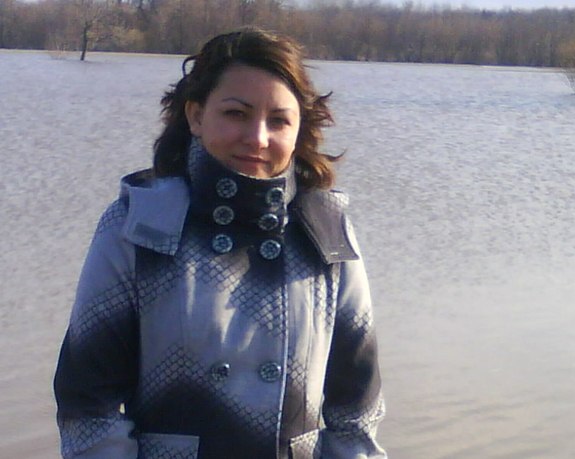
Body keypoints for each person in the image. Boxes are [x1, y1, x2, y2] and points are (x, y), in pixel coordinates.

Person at [53, 27, 386, 459]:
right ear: (196, 116)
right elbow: (88, 408)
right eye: (236, 113)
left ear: (299, 130)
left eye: (279, 121)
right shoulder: (140, 227)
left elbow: (356, 415)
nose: (257, 137)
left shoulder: (325, 234)